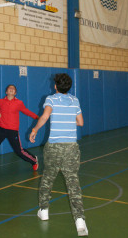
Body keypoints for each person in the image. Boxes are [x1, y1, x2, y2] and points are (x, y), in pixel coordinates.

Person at [29, 73, 88, 237]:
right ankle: (80, 221)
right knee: (73, 182)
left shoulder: (51, 99)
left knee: (48, 178)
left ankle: (44, 211)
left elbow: (45, 116)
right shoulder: (74, 100)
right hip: (71, 148)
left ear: (56, 86)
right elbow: (81, 122)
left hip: (54, 147)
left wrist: (34, 130)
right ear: (69, 87)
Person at [0, 84, 39, 175]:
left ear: (15, 93)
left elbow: (26, 111)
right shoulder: (0, 101)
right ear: (6, 92)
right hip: (0, 129)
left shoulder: (19, 103)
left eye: (13, 89)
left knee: (19, 151)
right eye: (9, 88)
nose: (11, 89)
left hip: (12, 131)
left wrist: (37, 117)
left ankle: (34, 160)